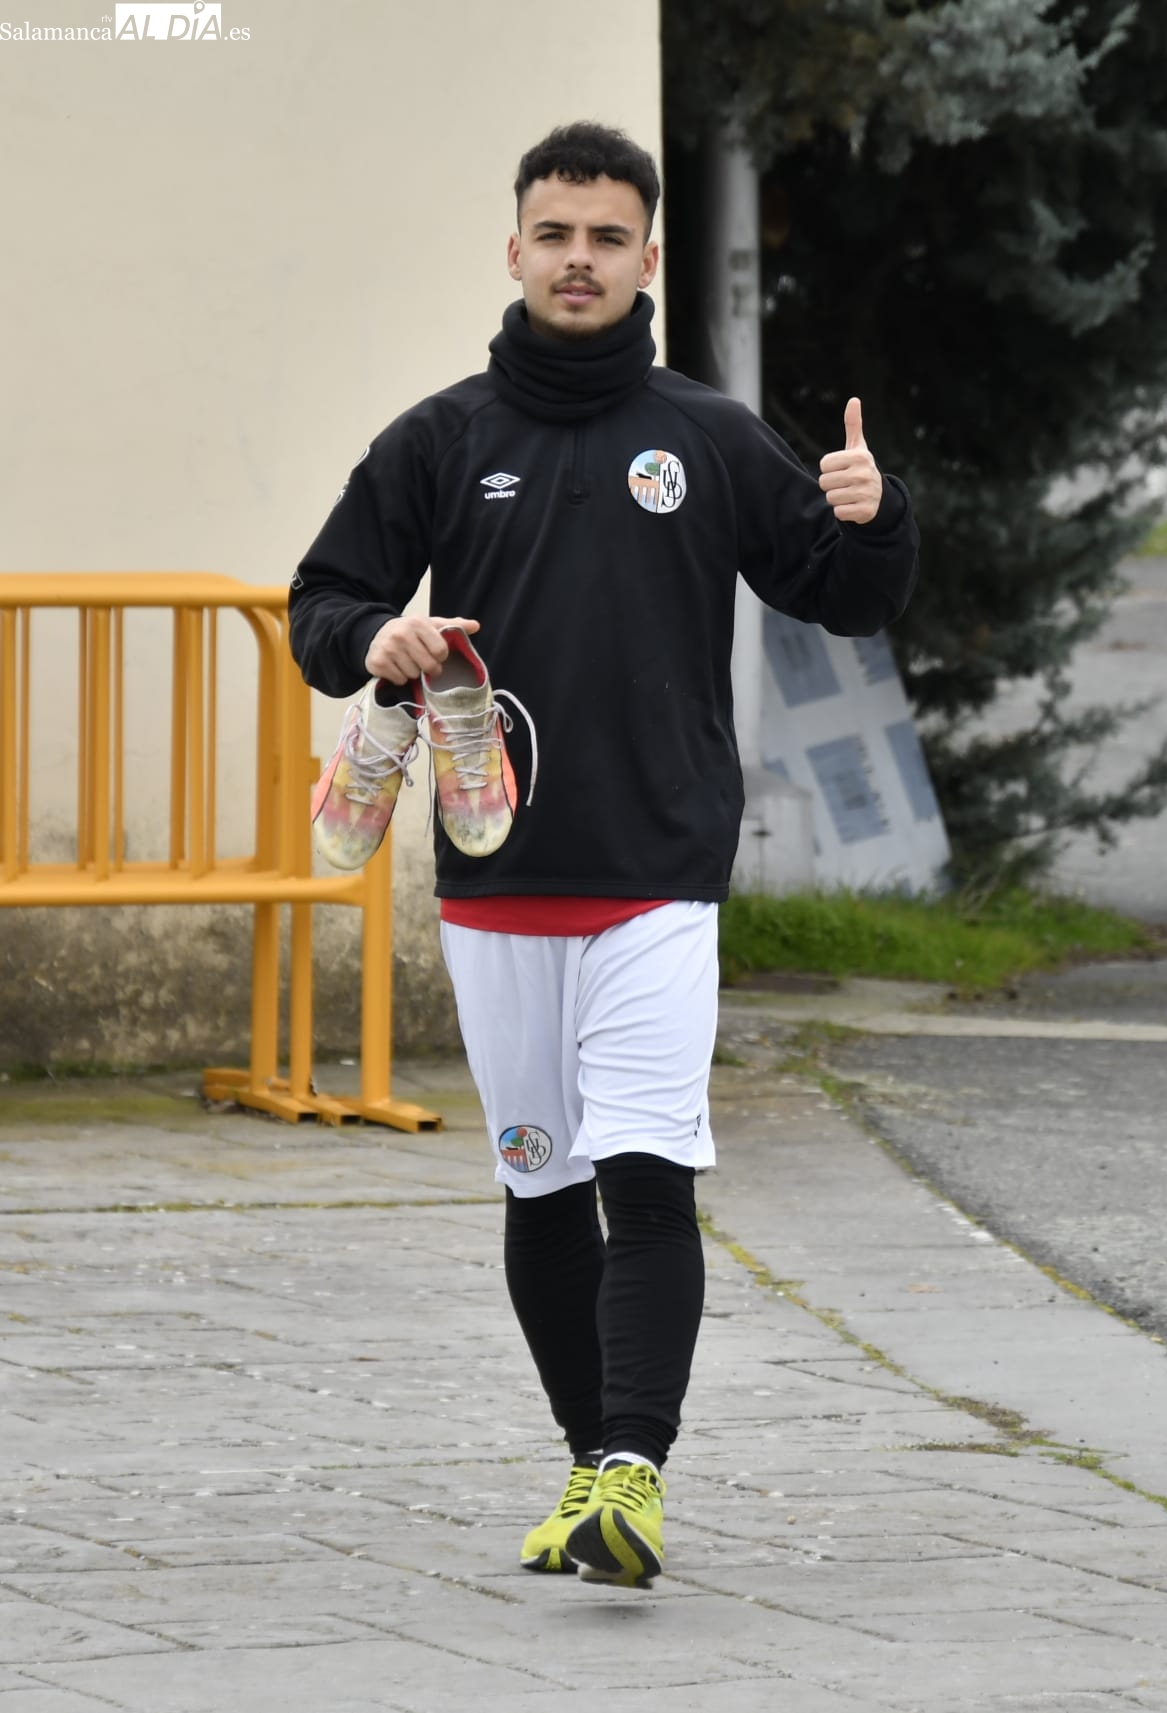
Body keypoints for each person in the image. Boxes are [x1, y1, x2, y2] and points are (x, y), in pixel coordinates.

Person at [288, 121, 920, 1590]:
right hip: (496, 879)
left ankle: (633, 1465)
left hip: (657, 875)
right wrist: (375, 637)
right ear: (515, 250)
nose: (580, 260)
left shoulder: (707, 435)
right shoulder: (440, 439)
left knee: (646, 1170)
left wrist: (877, 520)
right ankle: (592, 1471)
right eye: (557, 235)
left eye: (608, 238)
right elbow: (321, 604)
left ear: (647, 259)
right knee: (541, 1187)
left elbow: (844, 594)